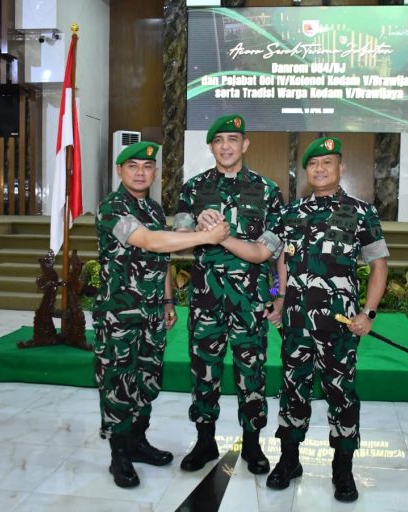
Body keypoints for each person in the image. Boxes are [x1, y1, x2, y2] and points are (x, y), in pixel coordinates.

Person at [93, 141, 230, 489]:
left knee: (146, 379)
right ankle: (119, 455)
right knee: (118, 383)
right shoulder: (112, 207)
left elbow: (161, 259)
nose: (141, 173)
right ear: (120, 171)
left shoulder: (153, 208)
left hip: (152, 313)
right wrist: (206, 236)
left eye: (147, 167)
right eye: (133, 166)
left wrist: (168, 301)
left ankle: (137, 442)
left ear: (155, 173)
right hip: (119, 316)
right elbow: (151, 242)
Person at [266, 136, 389, 502]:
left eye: (327, 163)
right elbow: (280, 259)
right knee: (292, 390)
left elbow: (379, 265)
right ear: (306, 170)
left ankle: (343, 469)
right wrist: (278, 297)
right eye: (313, 164)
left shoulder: (361, 212)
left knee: (341, 395)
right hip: (295, 325)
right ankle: (289, 460)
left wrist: (368, 313)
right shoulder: (291, 212)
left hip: (339, 326)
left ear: (341, 168)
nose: (320, 169)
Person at [173, 114, 283, 475]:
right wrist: (198, 226)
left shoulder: (268, 191)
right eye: (218, 140)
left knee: (252, 372)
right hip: (206, 301)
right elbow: (179, 238)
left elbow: (269, 251)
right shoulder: (193, 189)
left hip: (250, 303)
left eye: (232, 140)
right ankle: (205, 442)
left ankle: (252, 444)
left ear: (245, 144)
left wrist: (221, 238)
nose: (225, 147)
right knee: (203, 372)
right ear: (211, 147)